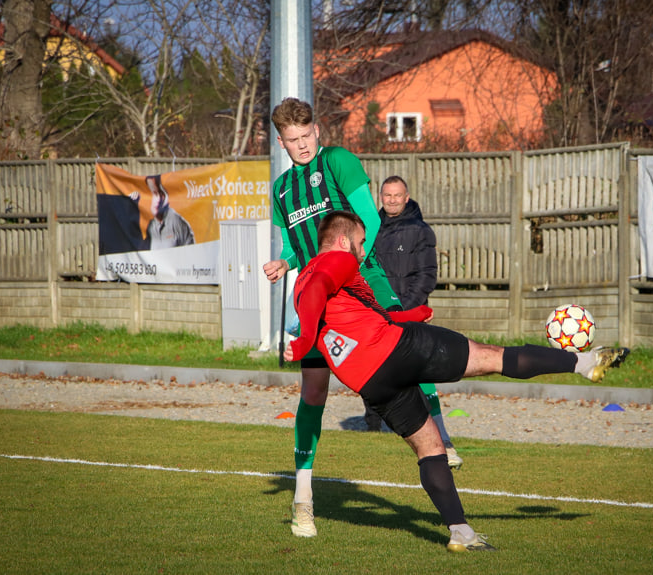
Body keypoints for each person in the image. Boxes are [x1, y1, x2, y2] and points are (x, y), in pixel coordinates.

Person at [283, 211, 629, 552]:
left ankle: (460, 532)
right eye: (359, 244)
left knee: (430, 449)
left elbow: (349, 314)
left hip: (372, 382)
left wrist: (408, 315)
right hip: (399, 350)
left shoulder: (300, 282)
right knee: (492, 356)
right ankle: (585, 361)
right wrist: (301, 344)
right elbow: (320, 286)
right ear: (342, 241)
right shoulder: (337, 261)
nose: (362, 252)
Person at [261, 98, 453, 538]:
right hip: (317, 299)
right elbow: (298, 244)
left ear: (317, 131)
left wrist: (350, 263)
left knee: (410, 344)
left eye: (308, 135)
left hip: (361, 286)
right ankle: (302, 500)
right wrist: (284, 263)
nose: (303, 144)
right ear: (281, 142)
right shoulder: (282, 190)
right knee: (313, 394)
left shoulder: (338, 162)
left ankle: (443, 435)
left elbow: (367, 216)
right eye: (294, 140)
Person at [371, 175, 462, 469]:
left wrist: (402, 310)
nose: (392, 200)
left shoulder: (420, 231)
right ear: (380, 197)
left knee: (422, 374)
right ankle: (379, 426)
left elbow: (426, 277)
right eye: (387, 195)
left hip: (409, 316)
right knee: (378, 372)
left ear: (407, 197)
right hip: (380, 317)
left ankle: (444, 441)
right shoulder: (372, 229)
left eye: (397, 195)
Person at [145, 175, 194, 249]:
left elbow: (191, 251)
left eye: (158, 194)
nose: (157, 199)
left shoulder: (175, 221)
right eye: (151, 194)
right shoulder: (151, 226)